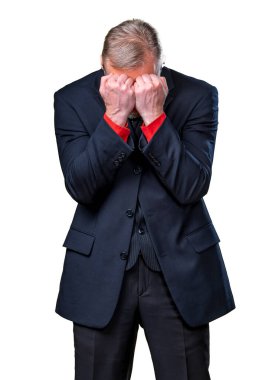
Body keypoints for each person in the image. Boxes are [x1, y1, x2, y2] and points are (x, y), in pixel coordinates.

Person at [53, 18, 236, 380]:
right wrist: (114, 117)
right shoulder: (71, 100)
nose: (132, 92)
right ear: (103, 67)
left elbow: (191, 185)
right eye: (121, 80)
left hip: (179, 273)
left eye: (142, 80)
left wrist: (155, 117)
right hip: (99, 271)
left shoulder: (198, 96)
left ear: (159, 66)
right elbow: (81, 187)